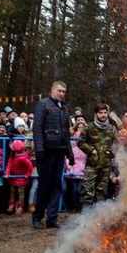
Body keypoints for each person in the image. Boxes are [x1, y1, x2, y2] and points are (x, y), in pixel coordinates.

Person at [31, 80, 74, 229]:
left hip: (60, 150)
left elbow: (66, 133)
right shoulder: (42, 105)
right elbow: (37, 129)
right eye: (59, 91)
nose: (61, 94)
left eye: (63, 91)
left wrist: (70, 153)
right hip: (47, 151)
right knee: (44, 185)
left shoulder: (64, 108)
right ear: (52, 90)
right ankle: (37, 217)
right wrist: (40, 150)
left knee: (57, 185)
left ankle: (52, 218)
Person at [78, 103, 118, 208]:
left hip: (105, 165)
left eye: (105, 113)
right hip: (92, 165)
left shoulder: (112, 128)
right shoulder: (89, 127)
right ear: (96, 114)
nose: (103, 115)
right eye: (101, 113)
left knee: (101, 192)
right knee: (87, 191)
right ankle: (85, 217)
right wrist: (91, 150)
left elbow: (116, 144)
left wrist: (111, 152)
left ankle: (96, 218)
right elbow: (80, 143)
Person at [5, 140, 33, 214]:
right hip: (13, 177)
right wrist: (7, 172)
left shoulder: (23, 157)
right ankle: (11, 205)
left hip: (21, 178)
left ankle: (20, 207)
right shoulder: (12, 155)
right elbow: (9, 164)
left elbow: (30, 166)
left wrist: (27, 174)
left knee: (21, 193)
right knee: (12, 192)